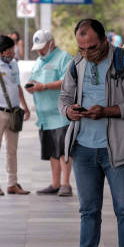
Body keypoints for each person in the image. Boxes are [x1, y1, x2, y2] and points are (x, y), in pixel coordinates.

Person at [55, 18, 124, 247]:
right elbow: (64, 98)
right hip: (84, 149)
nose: (87, 53)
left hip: (116, 148)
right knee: (88, 210)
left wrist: (107, 111)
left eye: (92, 47)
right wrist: (68, 111)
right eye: (82, 48)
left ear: (105, 39)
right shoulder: (76, 64)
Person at [0, 35, 31, 196]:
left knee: (12, 150)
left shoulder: (14, 64)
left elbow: (17, 86)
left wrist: (26, 107)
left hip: (14, 112)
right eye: (8, 51)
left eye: (12, 50)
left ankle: (12, 183)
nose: (11, 54)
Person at [26, 30, 74, 196]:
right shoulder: (39, 61)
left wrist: (45, 86)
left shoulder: (64, 58)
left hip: (60, 114)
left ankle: (66, 184)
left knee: (63, 151)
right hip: (45, 117)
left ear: (51, 43)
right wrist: (32, 87)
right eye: (37, 48)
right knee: (52, 151)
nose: (39, 50)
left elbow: (67, 82)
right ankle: (55, 184)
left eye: (42, 46)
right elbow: (34, 79)